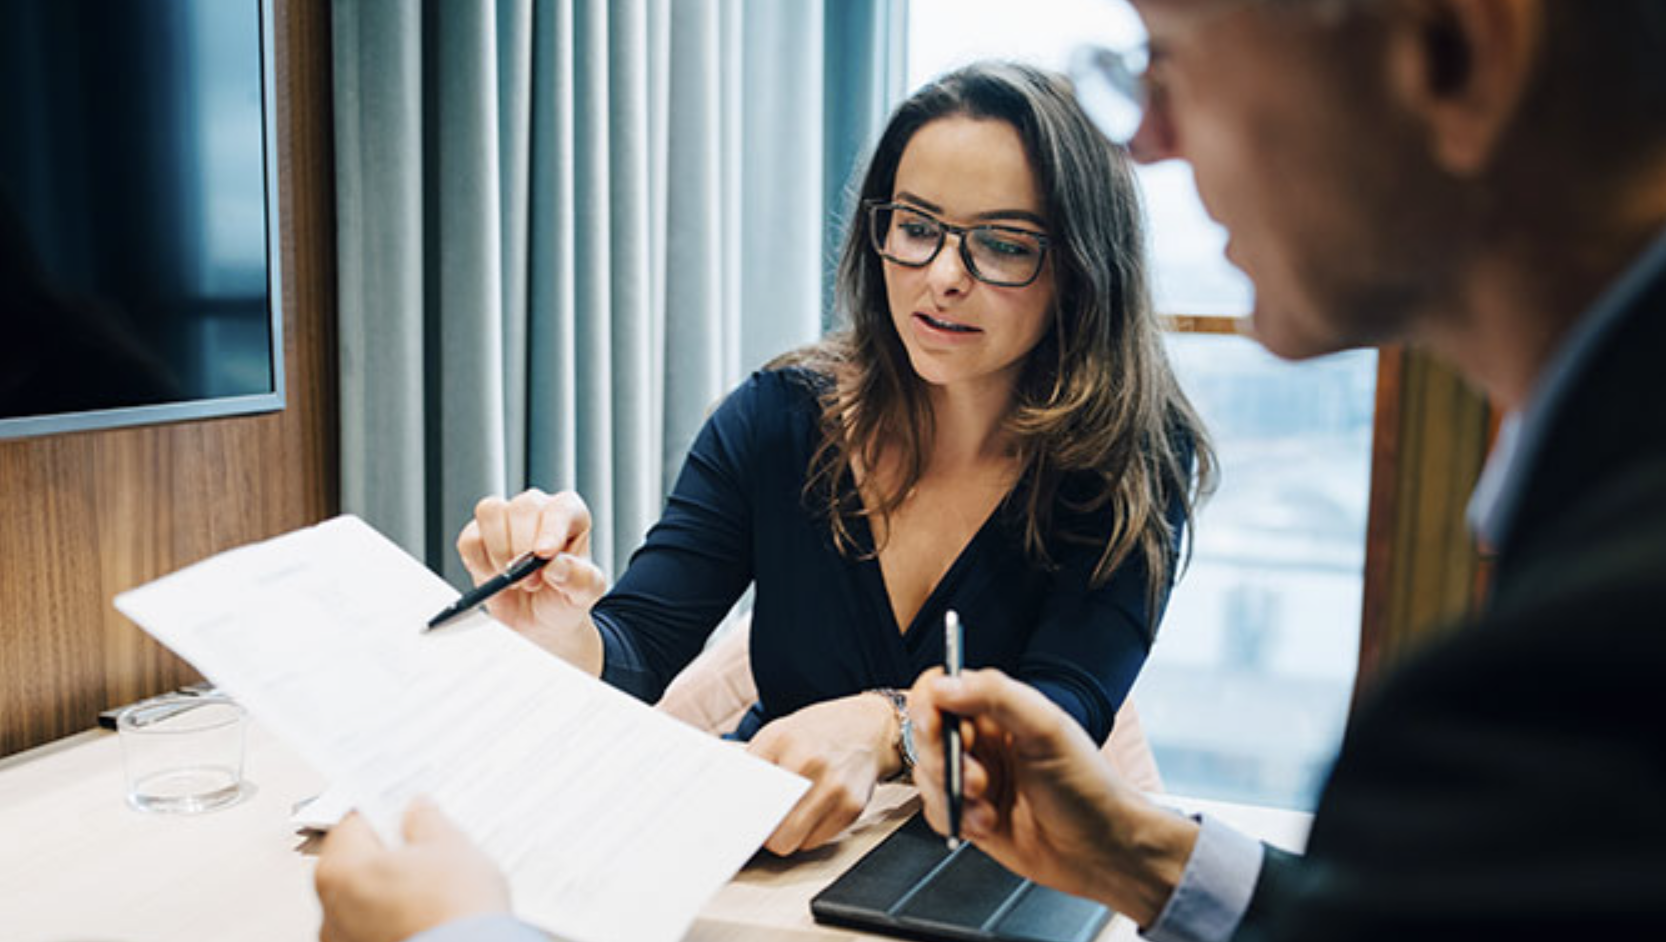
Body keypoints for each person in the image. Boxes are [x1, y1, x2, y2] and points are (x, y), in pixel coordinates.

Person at [312, 60, 1214, 942]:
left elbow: (1065, 708)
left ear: (1082, 271)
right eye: (916, 227)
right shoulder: (778, 421)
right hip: (766, 874)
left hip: (975, 890)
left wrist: (887, 724)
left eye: (1004, 244)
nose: (943, 274)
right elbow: (641, 647)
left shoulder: (1130, 464)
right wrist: (566, 635)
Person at [902, 1, 1666, 941]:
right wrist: (1134, 852)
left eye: (1172, 61)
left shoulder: (1575, 680)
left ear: (1456, 55)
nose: (1147, 141)